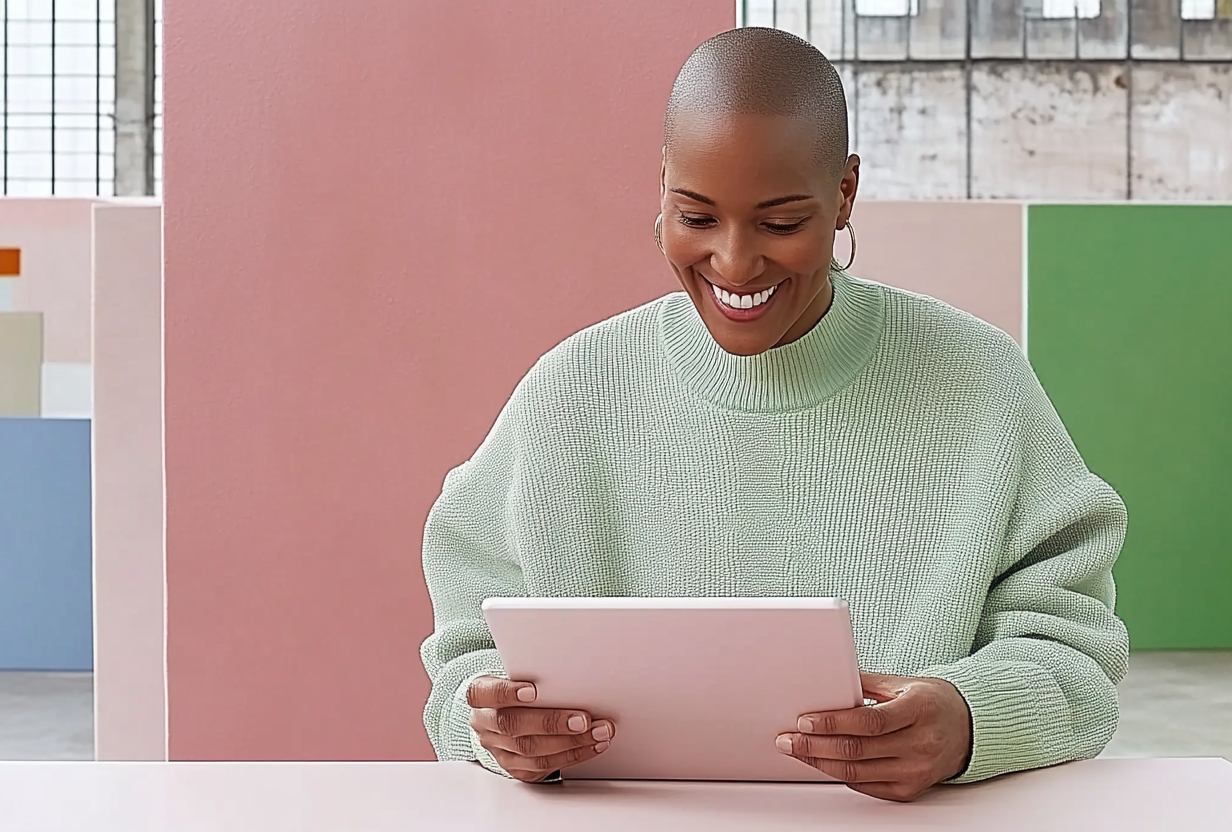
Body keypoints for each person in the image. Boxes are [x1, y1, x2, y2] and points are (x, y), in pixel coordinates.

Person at [420, 27, 1128, 804]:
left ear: (845, 194)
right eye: (695, 217)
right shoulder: (570, 391)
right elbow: (467, 654)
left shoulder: (981, 383)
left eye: (781, 223)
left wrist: (967, 721)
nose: (733, 263)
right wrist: (489, 721)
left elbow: (1076, 654)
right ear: (662, 185)